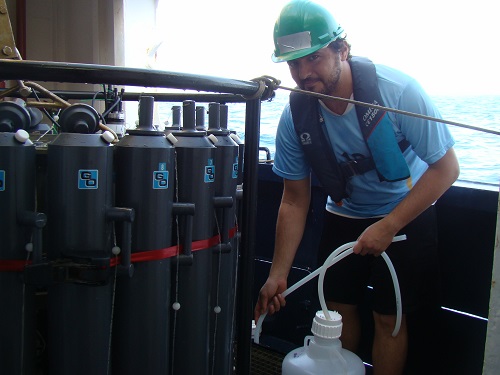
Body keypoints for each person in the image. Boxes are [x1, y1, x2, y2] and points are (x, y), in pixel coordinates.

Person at [254, 1, 460, 374]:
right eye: (294, 63)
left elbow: (446, 169)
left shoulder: (399, 91)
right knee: (335, 313)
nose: (304, 73)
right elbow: (295, 199)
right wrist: (278, 273)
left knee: (389, 319)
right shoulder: (295, 115)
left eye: (313, 58)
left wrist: (389, 224)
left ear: (342, 50)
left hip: (405, 214)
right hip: (344, 214)